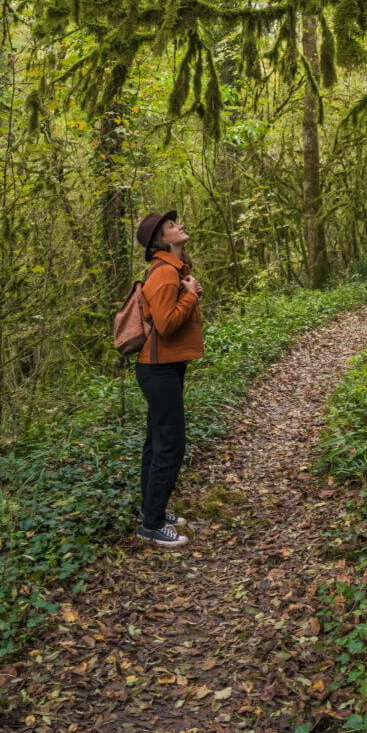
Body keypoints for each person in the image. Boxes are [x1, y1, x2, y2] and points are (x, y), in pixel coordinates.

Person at [134, 209, 204, 549]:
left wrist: (189, 290)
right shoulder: (164, 274)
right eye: (172, 226)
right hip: (158, 369)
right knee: (170, 445)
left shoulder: (173, 271)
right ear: (162, 240)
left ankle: (152, 509)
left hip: (165, 366)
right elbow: (165, 324)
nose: (179, 226)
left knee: (156, 442)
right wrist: (189, 294)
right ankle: (153, 524)